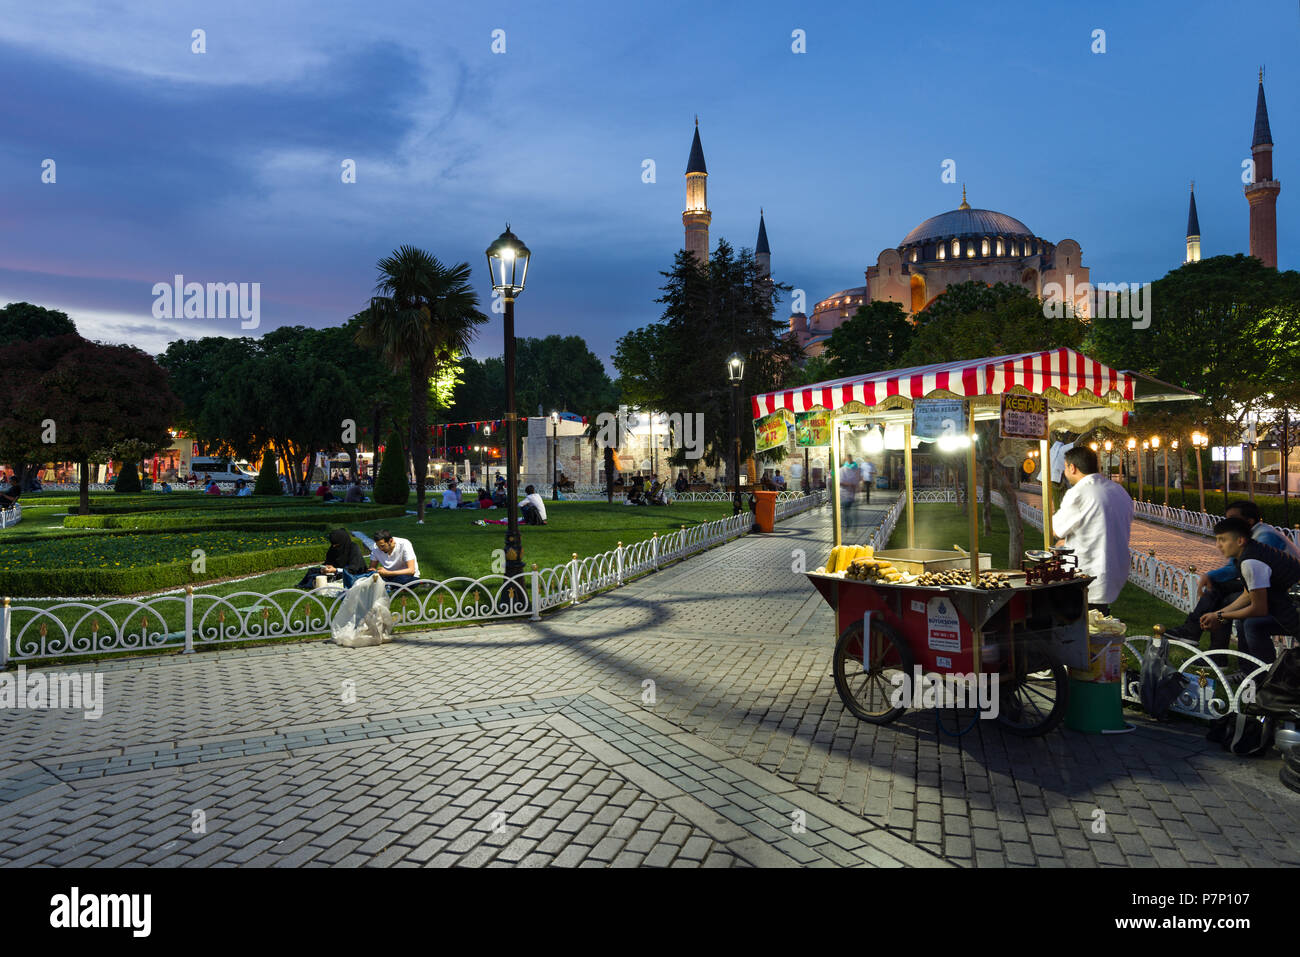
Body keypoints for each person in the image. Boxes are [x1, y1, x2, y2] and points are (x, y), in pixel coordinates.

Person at [1167, 499, 1300, 643]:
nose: (1218, 545)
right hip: (1275, 591)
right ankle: (1199, 639)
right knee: (1218, 588)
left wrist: (1220, 614)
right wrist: (1219, 613)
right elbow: (1244, 582)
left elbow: (1242, 579)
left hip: (1287, 596)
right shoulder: (1249, 545)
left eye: (1232, 519)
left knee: (1234, 607)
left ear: (1249, 521)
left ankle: (1239, 661)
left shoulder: (1263, 540)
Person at [1195, 517, 1300, 683]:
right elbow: (1248, 594)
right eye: (1217, 540)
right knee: (1248, 622)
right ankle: (1258, 675)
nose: (1218, 545)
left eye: (1223, 540)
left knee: (1253, 624)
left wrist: (1221, 617)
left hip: (1294, 610)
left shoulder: (1251, 561)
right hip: (1290, 607)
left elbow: (1259, 608)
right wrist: (1218, 613)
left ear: (1240, 540)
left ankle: (1267, 679)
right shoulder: (1249, 554)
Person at [1052, 445, 1133, 614]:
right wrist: (1066, 541)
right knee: (1099, 620)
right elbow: (1099, 526)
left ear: (1072, 467)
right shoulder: (1118, 490)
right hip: (1114, 570)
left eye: (1065, 468)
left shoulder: (1080, 492)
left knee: (1082, 628)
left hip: (1087, 573)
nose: (1064, 472)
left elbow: (1056, 529)